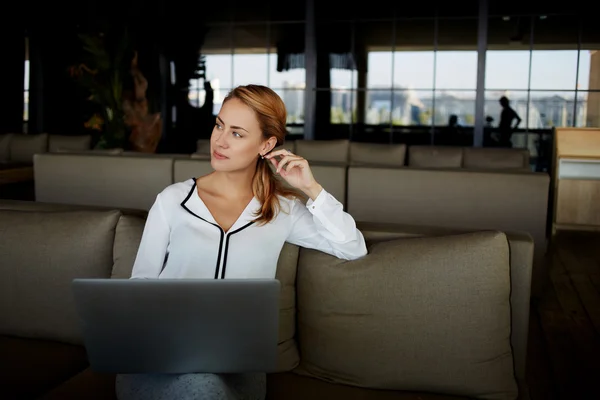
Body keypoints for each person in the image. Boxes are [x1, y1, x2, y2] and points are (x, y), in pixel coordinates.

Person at [115, 84, 368, 400]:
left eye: (237, 133)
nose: (219, 140)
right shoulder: (173, 200)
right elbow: (142, 282)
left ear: (267, 144)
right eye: (219, 125)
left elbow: (352, 247)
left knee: (205, 388)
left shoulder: (282, 209)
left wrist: (311, 188)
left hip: (237, 367)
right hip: (162, 357)